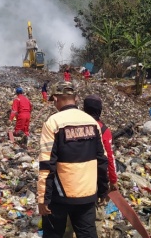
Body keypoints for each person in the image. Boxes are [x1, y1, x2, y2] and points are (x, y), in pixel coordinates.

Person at [37, 82, 109, 238]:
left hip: (60, 197)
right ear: (76, 98)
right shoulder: (91, 122)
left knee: (54, 234)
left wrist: (43, 199)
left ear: (55, 98)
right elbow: (102, 160)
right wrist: (103, 190)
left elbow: (47, 164)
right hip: (87, 194)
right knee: (88, 234)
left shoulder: (53, 123)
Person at [64, 95, 118, 237]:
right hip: (94, 180)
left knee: (70, 213)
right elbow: (108, 159)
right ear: (100, 111)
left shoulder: (73, 126)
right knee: (94, 216)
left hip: (72, 177)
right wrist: (112, 180)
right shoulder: (103, 130)